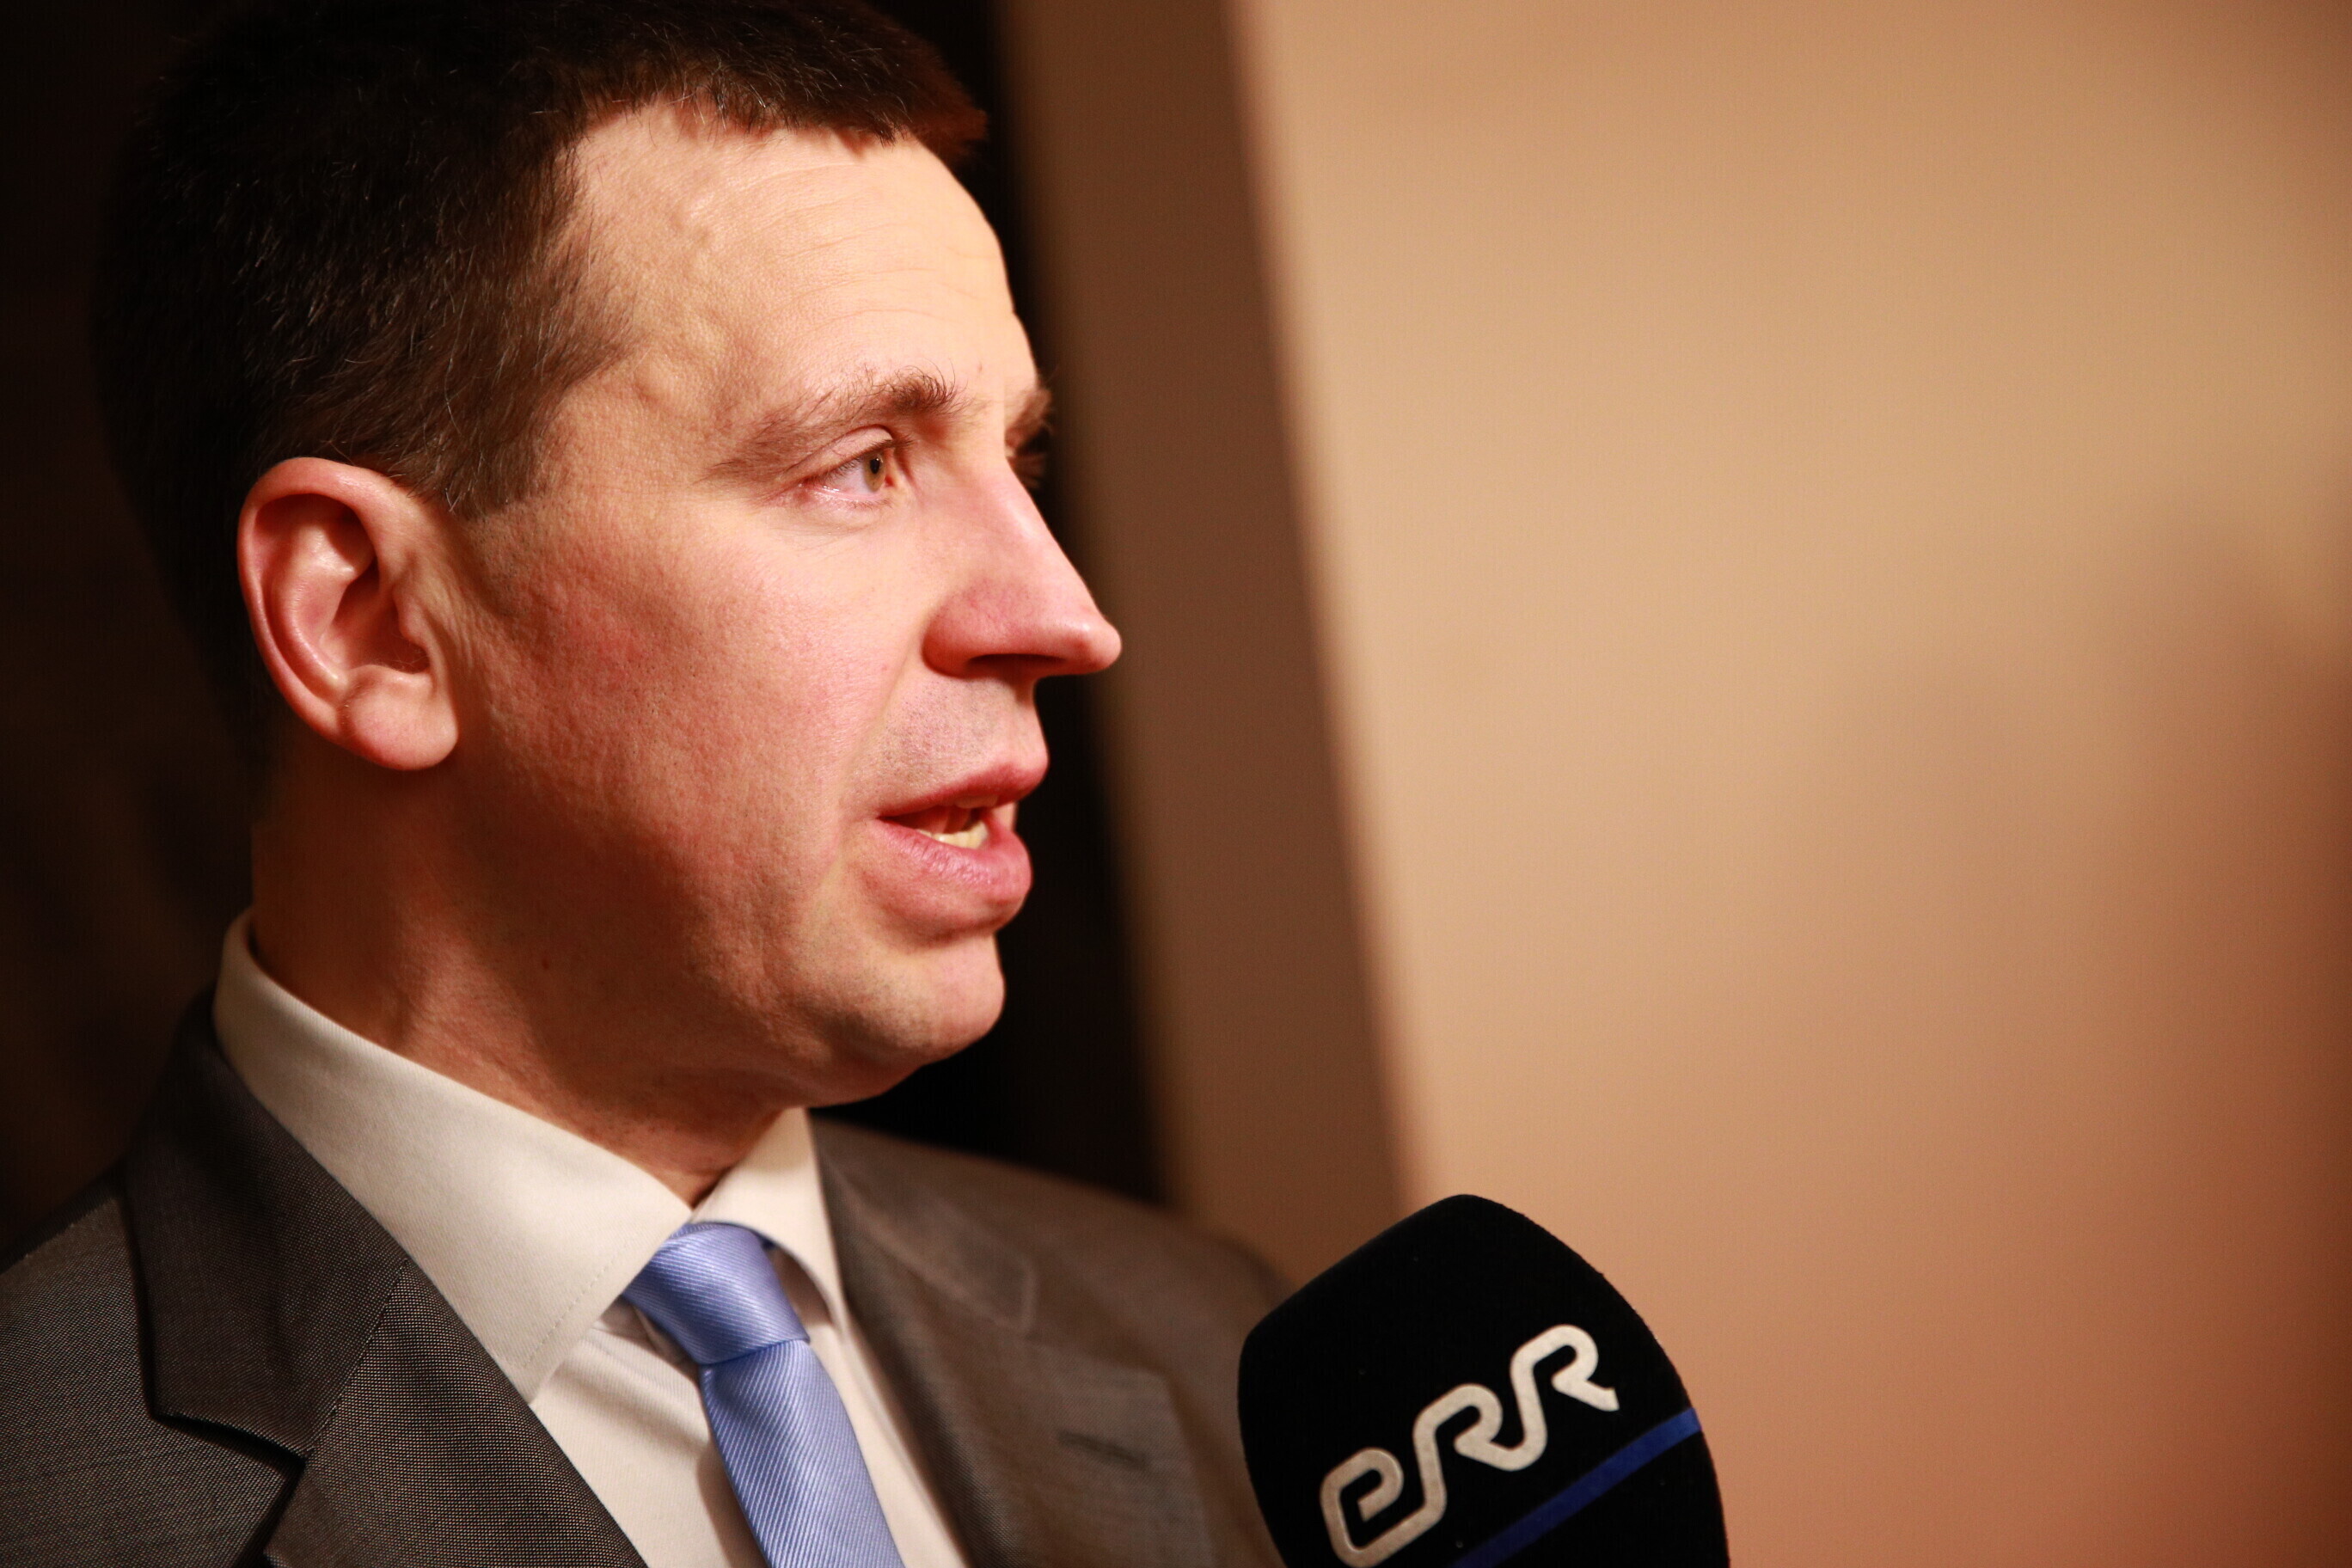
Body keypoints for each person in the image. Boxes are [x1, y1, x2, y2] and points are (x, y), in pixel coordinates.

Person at [0, 3, 1286, 1564]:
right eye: (863, 464)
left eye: (1014, 459)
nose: (1066, 618)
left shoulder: (1214, 1348)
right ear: (372, 623)